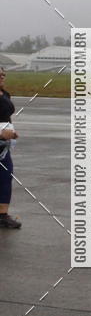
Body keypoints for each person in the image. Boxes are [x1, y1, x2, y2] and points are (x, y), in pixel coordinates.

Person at [0, 66, 21, 229]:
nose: (2, 77)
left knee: (6, 176)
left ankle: (2, 215)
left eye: (3, 74)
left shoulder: (4, 94)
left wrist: (11, 132)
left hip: (3, 146)